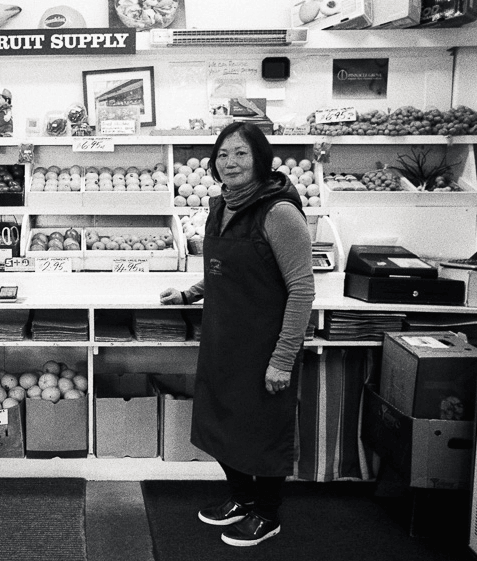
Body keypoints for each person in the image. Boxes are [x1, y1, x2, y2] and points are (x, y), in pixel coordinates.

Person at [160, 122, 315, 547]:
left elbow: (302, 289)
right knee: (222, 420)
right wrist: (190, 293)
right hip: (223, 337)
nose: (230, 162)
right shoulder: (220, 206)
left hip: (264, 342)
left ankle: (267, 514)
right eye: (223, 154)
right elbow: (225, 269)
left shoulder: (279, 212)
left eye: (241, 153)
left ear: (260, 158)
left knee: (262, 429)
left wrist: (283, 358)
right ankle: (241, 497)